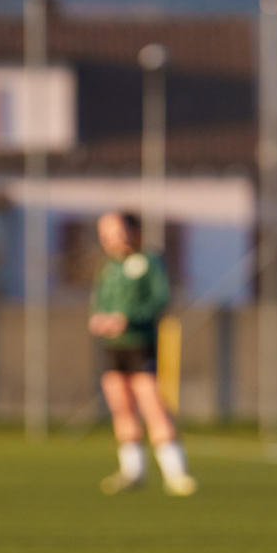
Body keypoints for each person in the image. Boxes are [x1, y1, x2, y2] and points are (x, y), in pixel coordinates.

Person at [89, 212, 195, 496]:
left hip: (141, 343)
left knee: (153, 406)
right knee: (121, 407)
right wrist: (99, 319)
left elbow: (159, 299)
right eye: (106, 232)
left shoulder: (149, 262)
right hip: (113, 346)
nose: (113, 237)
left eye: (118, 230)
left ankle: (176, 473)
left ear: (133, 231)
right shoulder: (107, 267)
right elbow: (98, 301)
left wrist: (129, 318)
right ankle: (132, 471)